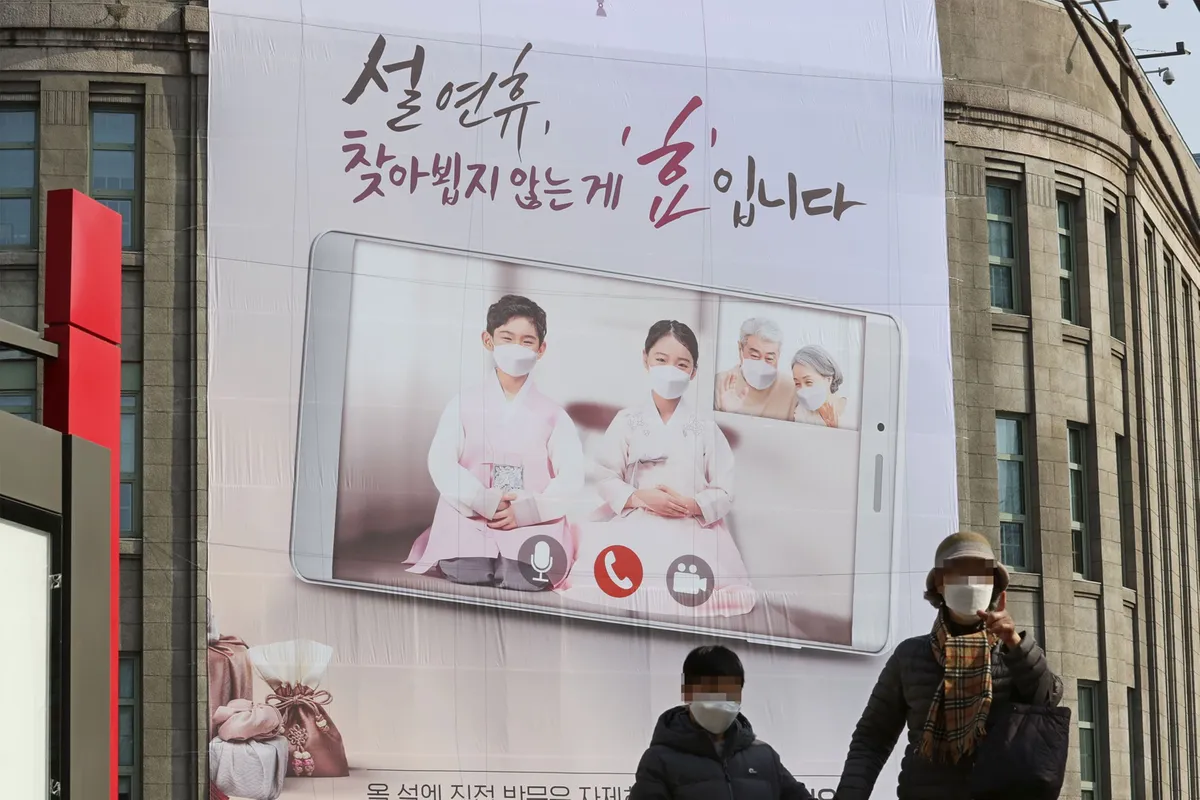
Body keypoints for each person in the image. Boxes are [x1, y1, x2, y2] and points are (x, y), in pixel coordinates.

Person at [835, 532, 1063, 800]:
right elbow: (872, 738)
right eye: (958, 572)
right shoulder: (910, 656)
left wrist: (1015, 643)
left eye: (980, 573)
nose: (970, 582)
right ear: (940, 585)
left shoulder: (1013, 650)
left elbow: (1047, 699)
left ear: (994, 585)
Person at [562, 320, 756, 617]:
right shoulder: (627, 421)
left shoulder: (705, 429)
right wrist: (640, 498)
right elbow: (605, 474)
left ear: (693, 372)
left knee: (690, 586)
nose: (670, 370)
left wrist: (693, 505)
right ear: (646, 360)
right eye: (661, 360)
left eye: (681, 364)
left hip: (691, 526)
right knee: (612, 581)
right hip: (637, 520)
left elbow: (725, 489)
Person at [404, 294, 585, 590]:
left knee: (526, 577)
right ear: (488, 341)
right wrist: (481, 499)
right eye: (507, 338)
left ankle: (521, 554)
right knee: (467, 570)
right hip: (471, 513)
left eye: (527, 341)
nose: (517, 348)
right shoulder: (463, 404)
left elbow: (571, 476)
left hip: (531, 519)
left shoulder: (554, 415)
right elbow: (441, 461)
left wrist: (528, 511)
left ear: (541, 349)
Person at [631, 645, 815, 800]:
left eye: (730, 691)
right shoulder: (659, 760)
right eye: (710, 690)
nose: (720, 700)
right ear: (688, 692)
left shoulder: (764, 756)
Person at [715, 318, 798, 421]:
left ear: (778, 356)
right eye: (755, 356)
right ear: (740, 348)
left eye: (769, 358)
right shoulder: (720, 384)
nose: (762, 365)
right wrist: (726, 414)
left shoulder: (792, 389)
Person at [790, 345, 848, 429]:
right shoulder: (801, 413)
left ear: (828, 379)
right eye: (797, 383)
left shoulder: (854, 411)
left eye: (808, 382)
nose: (802, 390)